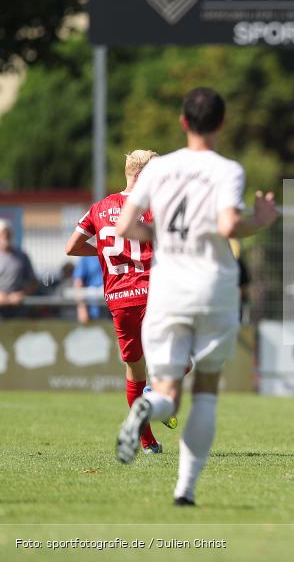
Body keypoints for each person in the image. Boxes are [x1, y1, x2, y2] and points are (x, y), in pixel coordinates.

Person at [113, 87, 279, 507]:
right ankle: (184, 490)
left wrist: (163, 239)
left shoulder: (157, 169)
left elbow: (126, 225)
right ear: (222, 123)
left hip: (167, 288)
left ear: (184, 122)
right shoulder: (227, 170)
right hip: (212, 287)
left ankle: (149, 408)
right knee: (205, 389)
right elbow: (227, 225)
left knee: (166, 391)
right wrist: (259, 220)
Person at [65, 150, 173, 455]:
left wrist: (102, 251)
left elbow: (71, 247)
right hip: (153, 295)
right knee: (185, 355)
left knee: (135, 372)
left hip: (118, 300)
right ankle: (155, 395)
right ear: (141, 175)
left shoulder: (98, 208)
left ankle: (148, 442)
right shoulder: (152, 208)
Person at [72, 255, 106, 323]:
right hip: (93, 311)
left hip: (114, 310)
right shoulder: (87, 256)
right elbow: (78, 282)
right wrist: (81, 307)